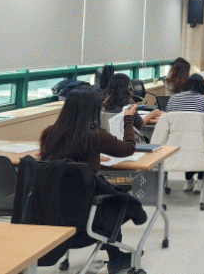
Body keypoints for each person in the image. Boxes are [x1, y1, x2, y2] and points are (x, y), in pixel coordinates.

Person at [39, 87, 138, 274]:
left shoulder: (49, 134)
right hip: (85, 213)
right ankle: (115, 257)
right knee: (120, 190)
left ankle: (115, 254)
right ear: (93, 110)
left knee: (106, 188)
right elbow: (129, 148)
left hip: (53, 211)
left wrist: (96, 155)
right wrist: (128, 119)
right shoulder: (95, 136)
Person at [167, 73, 204, 191]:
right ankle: (200, 182)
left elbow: (168, 119)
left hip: (175, 142)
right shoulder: (203, 99)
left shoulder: (173, 98)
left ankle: (188, 181)